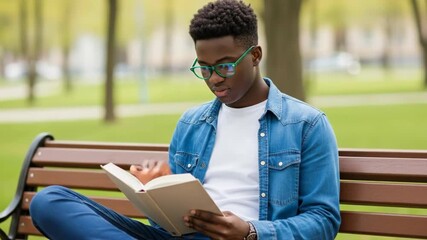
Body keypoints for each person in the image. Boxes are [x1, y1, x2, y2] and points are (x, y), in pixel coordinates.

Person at [29, 0, 341, 239]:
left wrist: (249, 231)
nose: (214, 79)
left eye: (225, 66)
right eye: (204, 68)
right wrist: (155, 194)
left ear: (255, 56)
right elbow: (171, 226)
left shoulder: (306, 125)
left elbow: (323, 221)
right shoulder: (192, 124)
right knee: (50, 201)